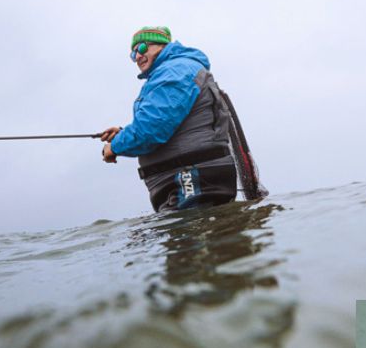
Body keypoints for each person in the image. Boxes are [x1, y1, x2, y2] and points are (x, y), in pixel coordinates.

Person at [100, 26, 254, 212]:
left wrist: (115, 146)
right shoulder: (173, 71)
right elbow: (168, 123)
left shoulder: (174, 72)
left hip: (189, 176)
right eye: (133, 54)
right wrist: (123, 133)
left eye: (141, 48)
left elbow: (150, 130)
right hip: (186, 177)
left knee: (193, 235)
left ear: (162, 46)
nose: (138, 56)